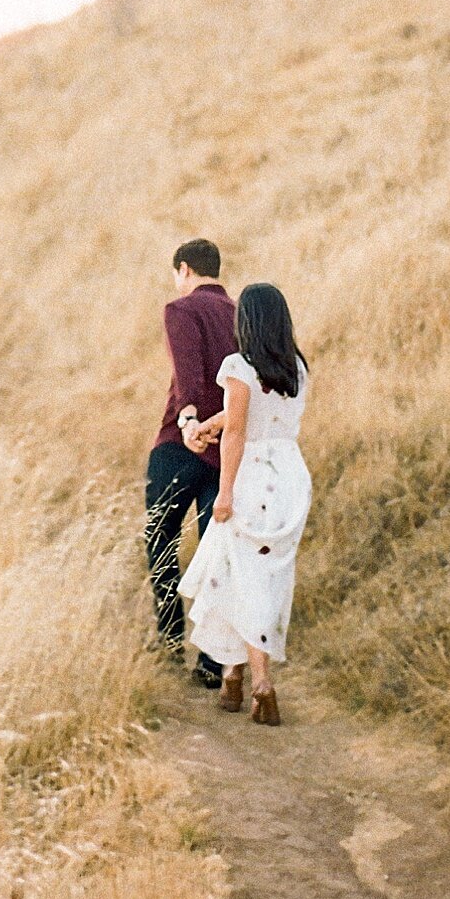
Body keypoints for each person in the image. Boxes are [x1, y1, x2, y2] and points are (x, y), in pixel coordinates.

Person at [179, 282, 311, 726]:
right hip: (289, 477)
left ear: (246, 322)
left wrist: (225, 491)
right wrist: (215, 424)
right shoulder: (296, 366)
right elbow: (252, 414)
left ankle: (260, 685)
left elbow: (238, 431)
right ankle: (233, 677)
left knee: (242, 576)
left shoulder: (238, 365)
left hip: (253, 478)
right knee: (254, 577)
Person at [145, 238, 238, 688]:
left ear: (184, 270)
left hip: (183, 444)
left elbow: (189, 372)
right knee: (215, 551)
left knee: (160, 536)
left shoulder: (181, 309)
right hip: (229, 450)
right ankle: (213, 661)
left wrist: (187, 420)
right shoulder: (243, 313)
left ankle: (169, 638)